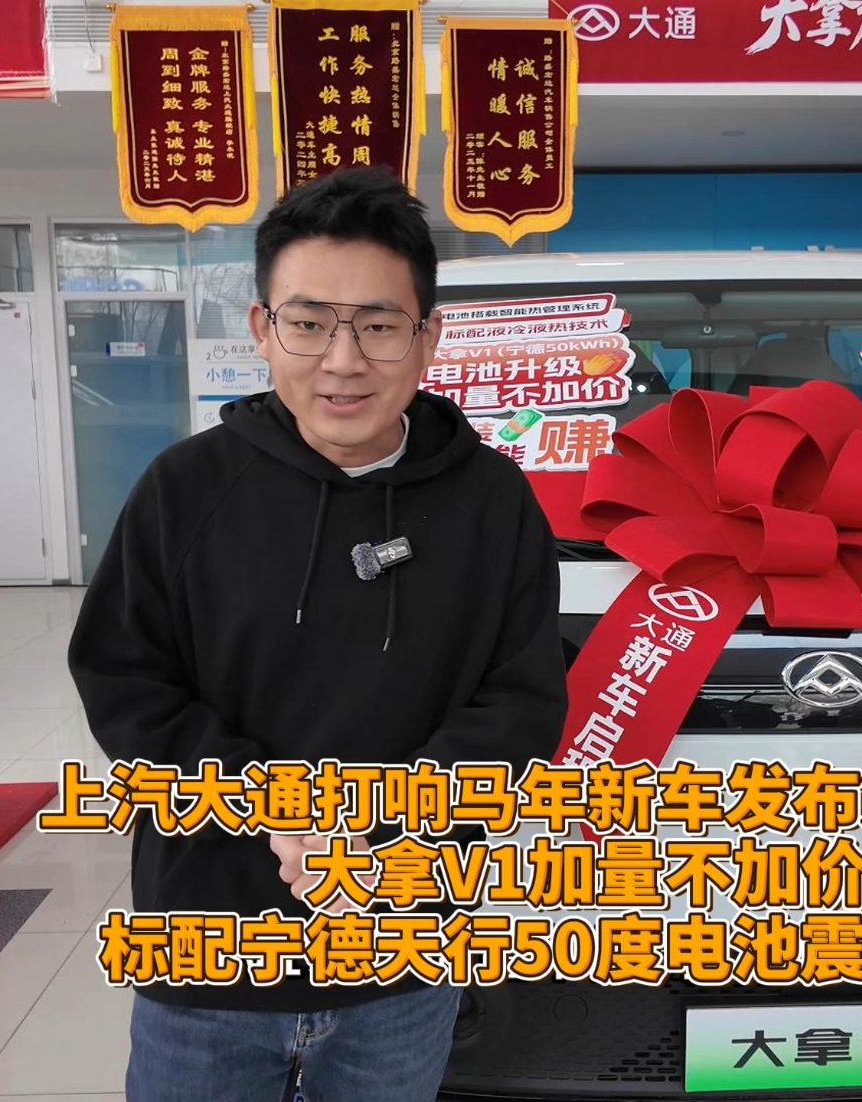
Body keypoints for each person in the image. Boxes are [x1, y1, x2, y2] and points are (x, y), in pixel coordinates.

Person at [66, 165, 569, 1102]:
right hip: (210, 944)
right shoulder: (184, 490)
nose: (342, 360)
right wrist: (278, 806)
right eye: (308, 323)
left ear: (427, 338)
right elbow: (124, 683)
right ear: (263, 329)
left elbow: (522, 699)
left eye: (378, 325)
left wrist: (380, 819)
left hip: (402, 950)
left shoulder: (494, 502)